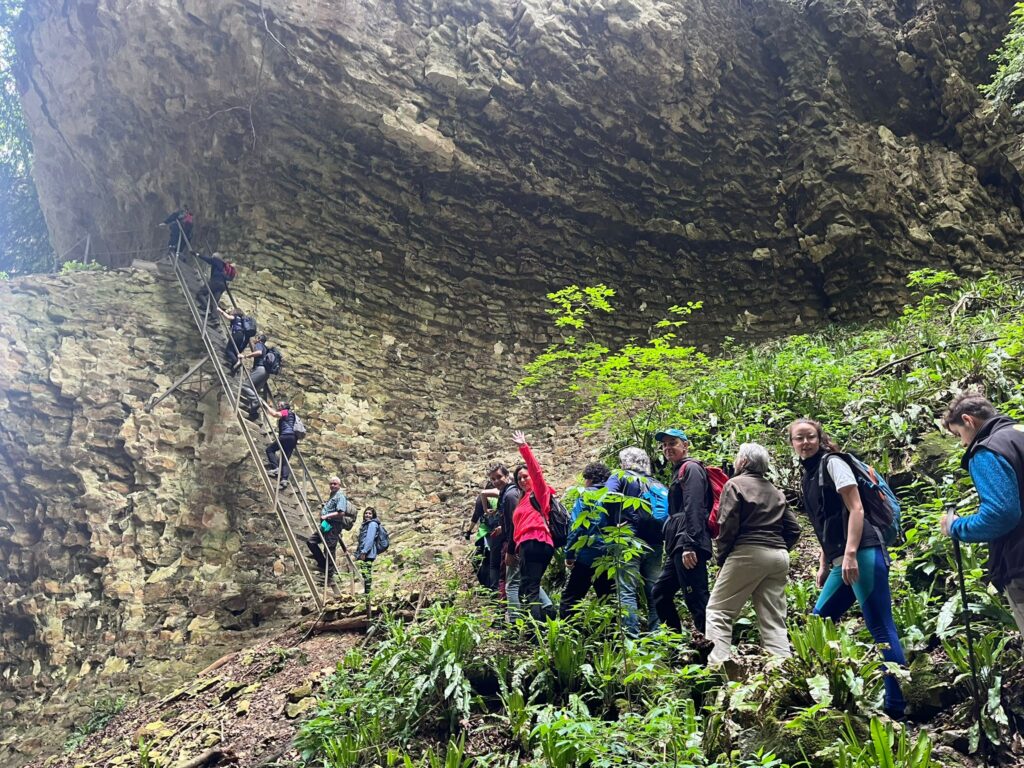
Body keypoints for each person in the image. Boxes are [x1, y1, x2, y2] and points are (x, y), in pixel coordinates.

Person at [788, 417, 907, 717]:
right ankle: (830, 693)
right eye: (799, 438)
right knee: (819, 621)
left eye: (810, 437)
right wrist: (824, 562)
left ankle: (896, 705)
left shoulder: (833, 463)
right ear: (792, 443)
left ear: (820, 438)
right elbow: (826, 521)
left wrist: (851, 553)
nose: (805, 443)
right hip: (842, 558)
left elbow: (856, 508)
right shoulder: (808, 474)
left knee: (879, 625)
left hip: (863, 552)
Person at [705, 443, 801, 664]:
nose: (735, 462)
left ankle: (717, 670)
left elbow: (727, 525)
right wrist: (779, 547)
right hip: (778, 556)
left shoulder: (735, 484)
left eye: (737, 458)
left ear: (744, 462)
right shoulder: (775, 490)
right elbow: (794, 529)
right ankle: (783, 672)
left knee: (719, 611)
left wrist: (721, 560)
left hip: (748, 552)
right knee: (773, 620)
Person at [940, 394, 1024, 634]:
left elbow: (1001, 514)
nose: (963, 444)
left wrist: (955, 526)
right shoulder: (1019, 434)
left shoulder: (988, 451)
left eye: (959, 435)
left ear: (968, 420)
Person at [651, 428, 712, 634]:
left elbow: (695, 506)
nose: (667, 448)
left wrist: (689, 543)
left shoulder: (691, 469)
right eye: (664, 445)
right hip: (678, 542)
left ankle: (715, 651)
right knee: (660, 592)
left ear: (685, 445)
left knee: (696, 597)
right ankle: (676, 644)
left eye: (673, 443)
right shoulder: (679, 470)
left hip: (688, 541)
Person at [605, 446, 666, 634]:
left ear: (625, 462)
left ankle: (631, 639)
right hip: (655, 541)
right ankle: (657, 638)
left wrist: (613, 522)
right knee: (654, 590)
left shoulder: (621, 476)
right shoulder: (657, 483)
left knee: (626, 590)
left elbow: (606, 496)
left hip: (628, 538)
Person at [509, 430, 557, 621]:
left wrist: (524, 447)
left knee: (529, 589)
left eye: (524, 476)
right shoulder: (522, 500)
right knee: (530, 586)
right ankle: (545, 622)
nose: (522, 480)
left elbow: (536, 473)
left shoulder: (539, 493)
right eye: (519, 478)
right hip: (528, 544)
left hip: (536, 541)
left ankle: (536, 633)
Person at [560, 463, 614, 619]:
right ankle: (612, 637)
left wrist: (569, 554)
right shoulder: (612, 495)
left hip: (587, 554)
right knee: (607, 597)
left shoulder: (585, 495)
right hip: (608, 555)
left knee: (571, 598)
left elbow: (576, 527)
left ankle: (566, 634)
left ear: (590, 479)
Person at [307, 476, 355, 575]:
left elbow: (341, 512)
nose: (332, 485)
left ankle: (330, 572)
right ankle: (323, 564)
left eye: (335, 484)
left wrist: (326, 515)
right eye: (331, 484)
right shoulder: (332, 495)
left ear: (339, 485)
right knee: (311, 541)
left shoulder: (340, 496)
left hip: (334, 525)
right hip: (327, 524)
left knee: (329, 548)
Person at [486, 462, 519, 593]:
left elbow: (514, 524)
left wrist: (510, 551)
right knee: (526, 581)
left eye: (499, 477)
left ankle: (511, 613)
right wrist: (501, 527)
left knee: (511, 584)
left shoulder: (510, 496)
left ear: (507, 476)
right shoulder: (507, 493)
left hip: (513, 544)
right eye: (493, 479)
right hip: (512, 542)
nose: (496, 481)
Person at [264, 400, 298, 489]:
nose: (278, 406)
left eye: (280, 405)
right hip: (293, 439)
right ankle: (284, 480)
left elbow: (275, 414)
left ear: (284, 406)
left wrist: (266, 406)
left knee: (270, 450)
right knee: (285, 459)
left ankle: (275, 468)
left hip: (286, 436)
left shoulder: (285, 412)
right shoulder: (293, 415)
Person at [238, 335, 269, 418]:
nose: (255, 339)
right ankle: (253, 413)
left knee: (245, 386)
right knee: (253, 391)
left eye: (256, 338)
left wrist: (245, 356)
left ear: (259, 339)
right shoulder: (266, 348)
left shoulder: (259, 344)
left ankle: (256, 401)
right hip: (266, 373)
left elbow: (259, 352)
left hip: (260, 369)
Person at [356, 508, 382, 596]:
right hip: (365, 552)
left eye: (370, 514)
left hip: (368, 553)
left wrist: (364, 552)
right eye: (366, 513)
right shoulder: (366, 524)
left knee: (367, 572)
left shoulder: (372, 524)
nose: (367, 515)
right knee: (365, 572)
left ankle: (367, 593)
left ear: (373, 515)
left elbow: (370, 539)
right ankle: (367, 592)